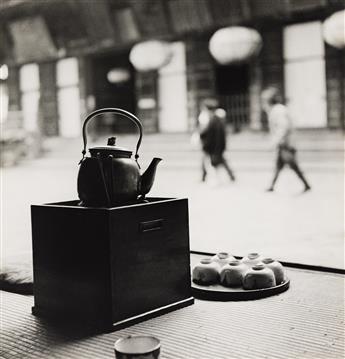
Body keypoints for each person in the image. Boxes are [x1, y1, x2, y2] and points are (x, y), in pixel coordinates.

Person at [261, 87, 311, 192]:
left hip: (286, 144)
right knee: (279, 165)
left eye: (264, 101)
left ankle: (306, 185)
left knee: (292, 165)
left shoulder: (277, 111)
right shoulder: (277, 110)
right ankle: (272, 186)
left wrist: (274, 142)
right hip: (284, 144)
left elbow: (282, 127)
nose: (263, 105)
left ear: (269, 101)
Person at [198, 103, 235, 183]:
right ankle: (205, 177)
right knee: (216, 161)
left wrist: (203, 138)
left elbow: (213, 135)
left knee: (214, 163)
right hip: (215, 147)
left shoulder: (214, 120)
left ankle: (211, 179)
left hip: (214, 147)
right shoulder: (215, 120)